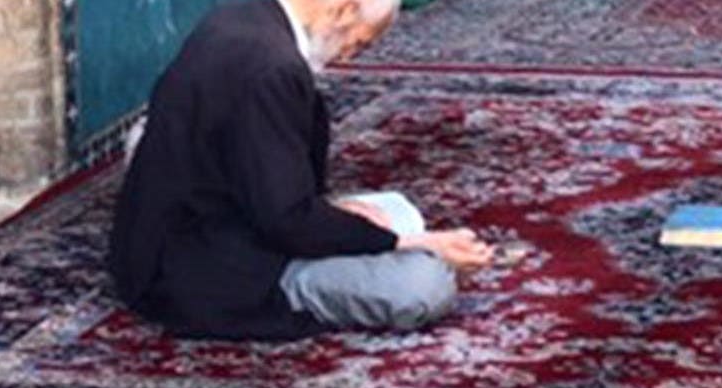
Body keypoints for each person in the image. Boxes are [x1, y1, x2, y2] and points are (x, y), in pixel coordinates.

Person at [107, 0, 494, 341]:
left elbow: (253, 177)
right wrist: (405, 244)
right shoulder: (271, 68)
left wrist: (350, 217)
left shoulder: (243, 16)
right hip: (212, 271)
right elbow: (286, 222)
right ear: (342, 10)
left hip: (199, 230)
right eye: (357, 43)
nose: (346, 58)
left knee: (396, 208)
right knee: (422, 285)